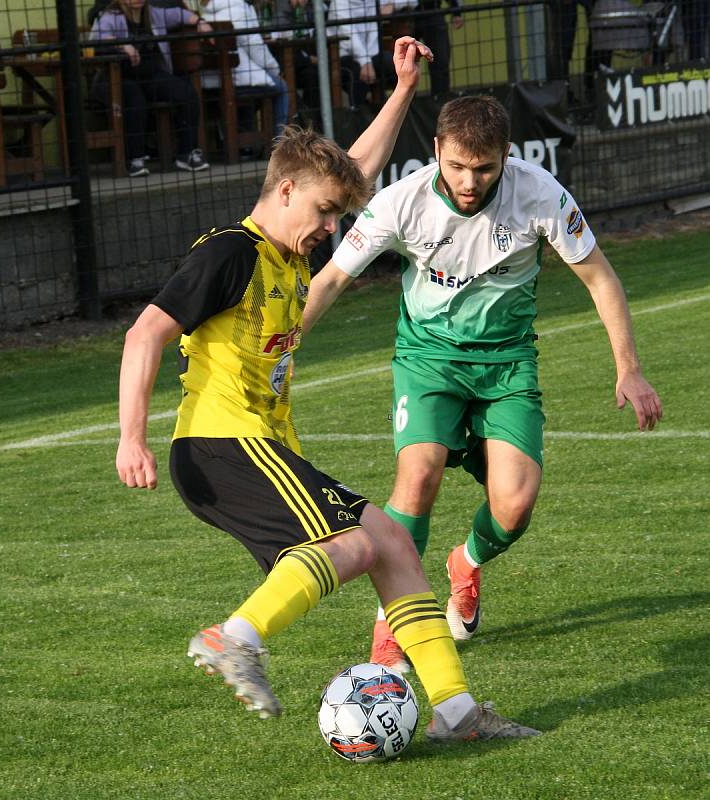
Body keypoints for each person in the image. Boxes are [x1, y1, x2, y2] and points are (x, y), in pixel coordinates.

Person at [116, 40, 540, 742]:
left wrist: (403, 90)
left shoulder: (286, 255)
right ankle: (236, 637)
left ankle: (459, 715)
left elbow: (352, 173)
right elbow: (143, 334)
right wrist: (132, 437)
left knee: (393, 546)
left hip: (263, 449)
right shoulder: (232, 252)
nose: (331, 228)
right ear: (282, 193)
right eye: (322, 212)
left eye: (337, 215)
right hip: (224, 445)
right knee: (353, 547)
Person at [303, 95, 663, 672]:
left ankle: (465, 563)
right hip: (429, 360)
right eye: (458, 167)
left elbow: (600, 278)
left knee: (514, 508)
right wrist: (281, 353)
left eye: (486, 168)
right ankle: (393, 627)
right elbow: (327, 283)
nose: (470, 182)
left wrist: (629, 366)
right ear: (438, 150)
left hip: (507, 364)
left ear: (507, 156)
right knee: (416, 476)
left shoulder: (541, 195)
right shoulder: (401, 202)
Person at [90, 0, 213, 176]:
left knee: (186, 93)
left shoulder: (154, 13)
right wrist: (122, 45)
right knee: (135, 98)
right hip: (120, 77)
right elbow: (99, 39)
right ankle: (135, 159)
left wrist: (200, 22)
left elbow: (181, 15)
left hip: (152, 75)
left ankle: (187, 153)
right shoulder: (111, 17)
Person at [199, 0, 290, 138]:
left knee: (256, 85)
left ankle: (246, 139)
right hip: (236, 78)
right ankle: (281, 143)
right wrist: (275, 70)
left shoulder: (204, 15)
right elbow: (255, 48)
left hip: (208, 81)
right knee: (281, 86)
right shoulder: (238, 9)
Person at [328, 0, 396, 107]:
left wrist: (393, 3)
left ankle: (398, 111)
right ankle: (357, 116)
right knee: (356, 72)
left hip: (371, 53)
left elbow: (412, 2)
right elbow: (349, 36)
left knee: (394, 63)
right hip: (341, 54)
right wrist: (365, 62)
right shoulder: (338, 3)